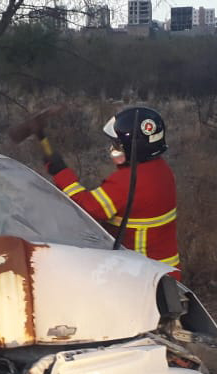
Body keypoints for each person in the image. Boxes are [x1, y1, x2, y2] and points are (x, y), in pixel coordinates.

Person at [44, 106, 181, 280]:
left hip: (143, 275)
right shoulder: (162, 170)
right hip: (166, 271)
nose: (114, 148)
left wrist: (60, 172)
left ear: (133, 147)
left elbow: (88, 208)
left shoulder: (127, 182)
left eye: (118, 144)